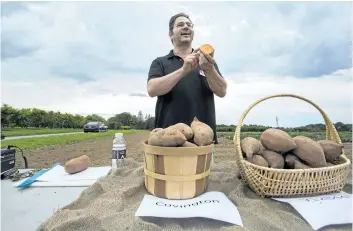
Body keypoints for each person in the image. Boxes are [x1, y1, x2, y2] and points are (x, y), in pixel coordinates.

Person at [147, 13, 227, 144]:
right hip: (168, 138)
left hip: (202, 138)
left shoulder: (207, 62)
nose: (186, 27)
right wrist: (183, 71)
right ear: (170, 34)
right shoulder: (160, 62)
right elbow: (152, 89)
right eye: (180, 25)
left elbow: (222, 91)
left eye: (189, 25)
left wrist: (209, 69)